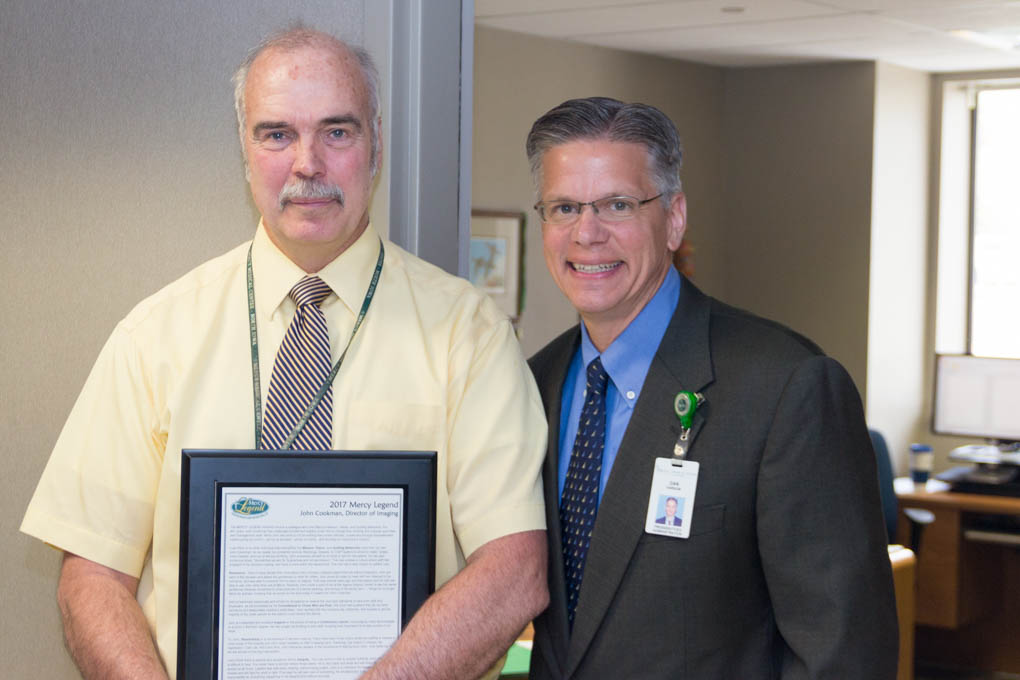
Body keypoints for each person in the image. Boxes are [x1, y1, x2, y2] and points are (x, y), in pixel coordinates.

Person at [21, 27, 548, 680]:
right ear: (244, 149)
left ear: (376, 142)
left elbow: (514, 571)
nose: (308, 164)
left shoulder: (469, 334)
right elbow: (93, 572)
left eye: (337, 131)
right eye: (277, 134)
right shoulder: (154, 336)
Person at [524, 97, 898, 678]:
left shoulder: (785, 386)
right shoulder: (533, 384)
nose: (586, 234)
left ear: (674, 218)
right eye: (564, 207)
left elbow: (843, 651)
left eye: (617, 204)